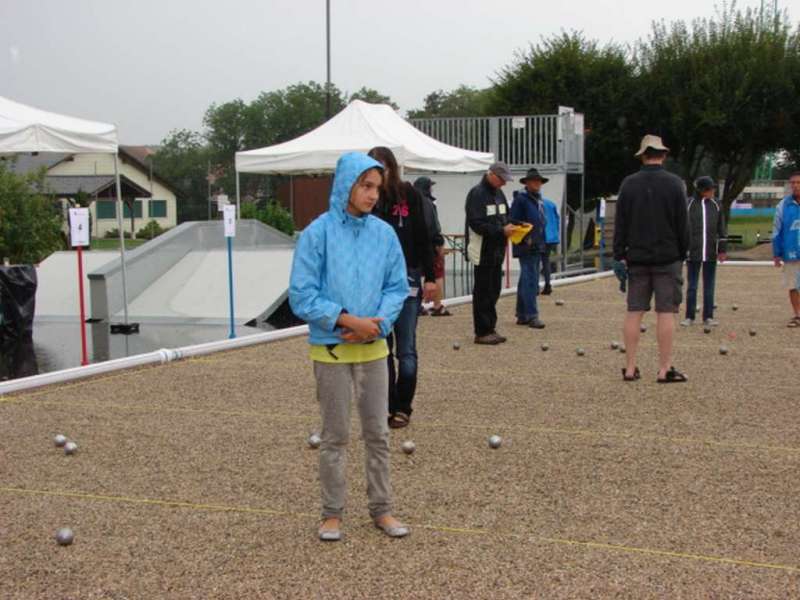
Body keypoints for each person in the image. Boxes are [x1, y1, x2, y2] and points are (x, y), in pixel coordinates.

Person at [289, 152, 410, 542]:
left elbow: (396, 288)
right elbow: (301, 295)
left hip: (374, 349)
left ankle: (382, 509)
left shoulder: (384, 234)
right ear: (346, 184)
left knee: (378, 434)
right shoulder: (317, 233)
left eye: (377, 187)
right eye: (366, 185)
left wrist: (376, 326)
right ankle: (332, 513)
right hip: (332, 350)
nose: (374, 194)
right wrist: (345, 319)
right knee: (335, 435)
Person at [368, 147, 436, 429]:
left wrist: (430, 276)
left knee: (406, 348)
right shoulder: (369, 200)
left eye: (384, 167)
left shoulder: (409, 195)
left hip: (407, 277)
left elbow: (423, 235)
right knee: (382, 347)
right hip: (376, 281)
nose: (380, 173)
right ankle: (387, 404)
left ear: (392, 168)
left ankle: (403, 407)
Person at [613, 134, 689, 383]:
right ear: (663, 155)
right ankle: (665, 368)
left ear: (643, 155)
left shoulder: (628, 184)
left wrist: (618, 255)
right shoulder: (675, 184)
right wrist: (683, 252)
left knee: (634, 311)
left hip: (636, 257)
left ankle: (631, 367)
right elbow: (682, 225)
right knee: (666, 312)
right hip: (667, 257)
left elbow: (620, 223)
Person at [465, 162, 516, 344]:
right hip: (483, 250)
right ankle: (482, 331)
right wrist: (500, 231)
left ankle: (490, 327)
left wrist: (513, 225)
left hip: (497, 251)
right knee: (483, 291)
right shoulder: (477, 194)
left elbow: (505, 217)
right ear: (492, 175)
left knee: (494, 290)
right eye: (502, 179)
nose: (504, 183)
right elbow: (476, 223)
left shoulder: (499, 194)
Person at [681, 176, 727, 327]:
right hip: (692, 252)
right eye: (710, 189)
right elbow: (682, 229)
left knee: (709, 286)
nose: (713, 191)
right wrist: (683, 249)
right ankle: (689, 316)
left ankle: (708, 316)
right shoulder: (688, 204)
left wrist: (722, 250)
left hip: (711, 252)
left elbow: (722, 229)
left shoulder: (716, 204)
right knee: (692, 286)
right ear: (701, 190)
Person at [510, 168, 548, 328]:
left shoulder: (537, 200)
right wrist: (526, 237)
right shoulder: (521, 199)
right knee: (530, 279)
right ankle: (531, 314)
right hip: (527, 244)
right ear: (527, 183)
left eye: (538, 181)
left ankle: (522, 314)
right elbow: (513, 219)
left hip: (537, 243)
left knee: (526, 278)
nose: (537, 184)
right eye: (533, 181)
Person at [414, 176, 451, 317]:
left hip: (415, 247)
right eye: (430, 186)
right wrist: (439, 244)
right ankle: (437, 305)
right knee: (437, 274)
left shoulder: (411, 203)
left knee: (415, 276)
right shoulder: (429, 204)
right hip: (430, 246)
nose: (432, 189)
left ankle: (417, 305)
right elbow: (434, 226)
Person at [772, 171, 800, 327]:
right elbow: (777, 230)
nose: (795, 186)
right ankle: (797, 315)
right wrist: (777, 253)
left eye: (798, 182)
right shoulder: (783, 205)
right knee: (793, 285)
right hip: (791, 253)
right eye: (793, 183)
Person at [541, 194, 560, 295]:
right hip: (551, 237)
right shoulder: (551, 204)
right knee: (546, 261)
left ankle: (535, 287)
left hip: (542, 236)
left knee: (535, 262)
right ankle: (548, 284)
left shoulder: (536, 204)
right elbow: (557, 220)